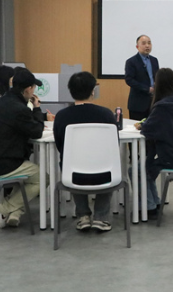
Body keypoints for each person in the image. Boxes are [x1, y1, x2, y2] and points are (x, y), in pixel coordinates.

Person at [0, 68, 45, 228]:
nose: (34, 91)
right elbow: (36, 132)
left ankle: (15, 212)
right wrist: (37, 108)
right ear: (28, 89)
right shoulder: (19, 109)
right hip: (2, 165)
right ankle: (4, 208)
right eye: (33, 88)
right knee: (43, 178)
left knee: (29, 176)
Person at [52, 71, 117, 232]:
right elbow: (113, 146)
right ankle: (101, 217)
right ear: (93, 91)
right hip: (105, 175)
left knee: (71, 161)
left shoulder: (61, 116)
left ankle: (83, 216)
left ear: (71, 91)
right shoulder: (107, 115)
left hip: (74, 176)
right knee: (108, 163)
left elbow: (60, 146)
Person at [135, 68, 173, 218]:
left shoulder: (162, 107)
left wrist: (142, 125)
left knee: (136, 170)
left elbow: (148, 129)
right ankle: (154, 203)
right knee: (143, 168)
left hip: (170, 156)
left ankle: (149, 208)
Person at [125, 35, 159, 121]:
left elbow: (157, 76)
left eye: (149, 43)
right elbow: (129, 80)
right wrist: (147, 89)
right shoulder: (131, 62)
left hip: (153, 103)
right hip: (138, 104)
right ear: (137, 46)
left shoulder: (154, 60)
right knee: (138, 127)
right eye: (144, 43)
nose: (147, 46)